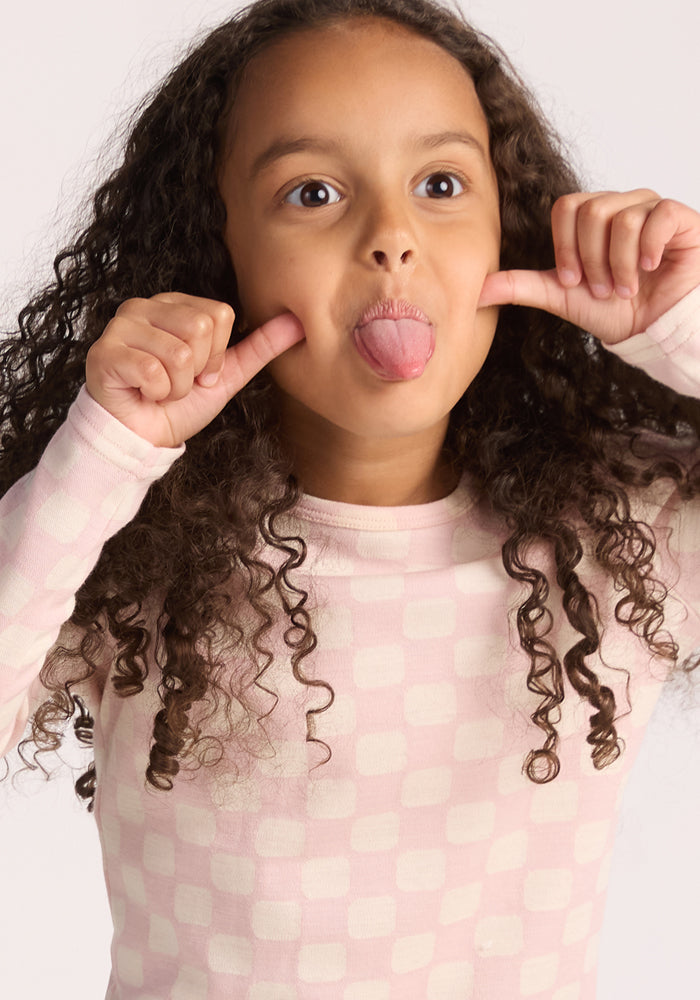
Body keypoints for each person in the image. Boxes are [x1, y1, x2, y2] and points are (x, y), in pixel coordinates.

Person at [1, 0, 699, 996]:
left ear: (505, 226)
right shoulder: (135, 547)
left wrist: (686, 330)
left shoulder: (625, 527)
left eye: (440, 185)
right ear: (219, 249)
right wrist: (104, 453)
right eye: (314, 192)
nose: (391, 238)